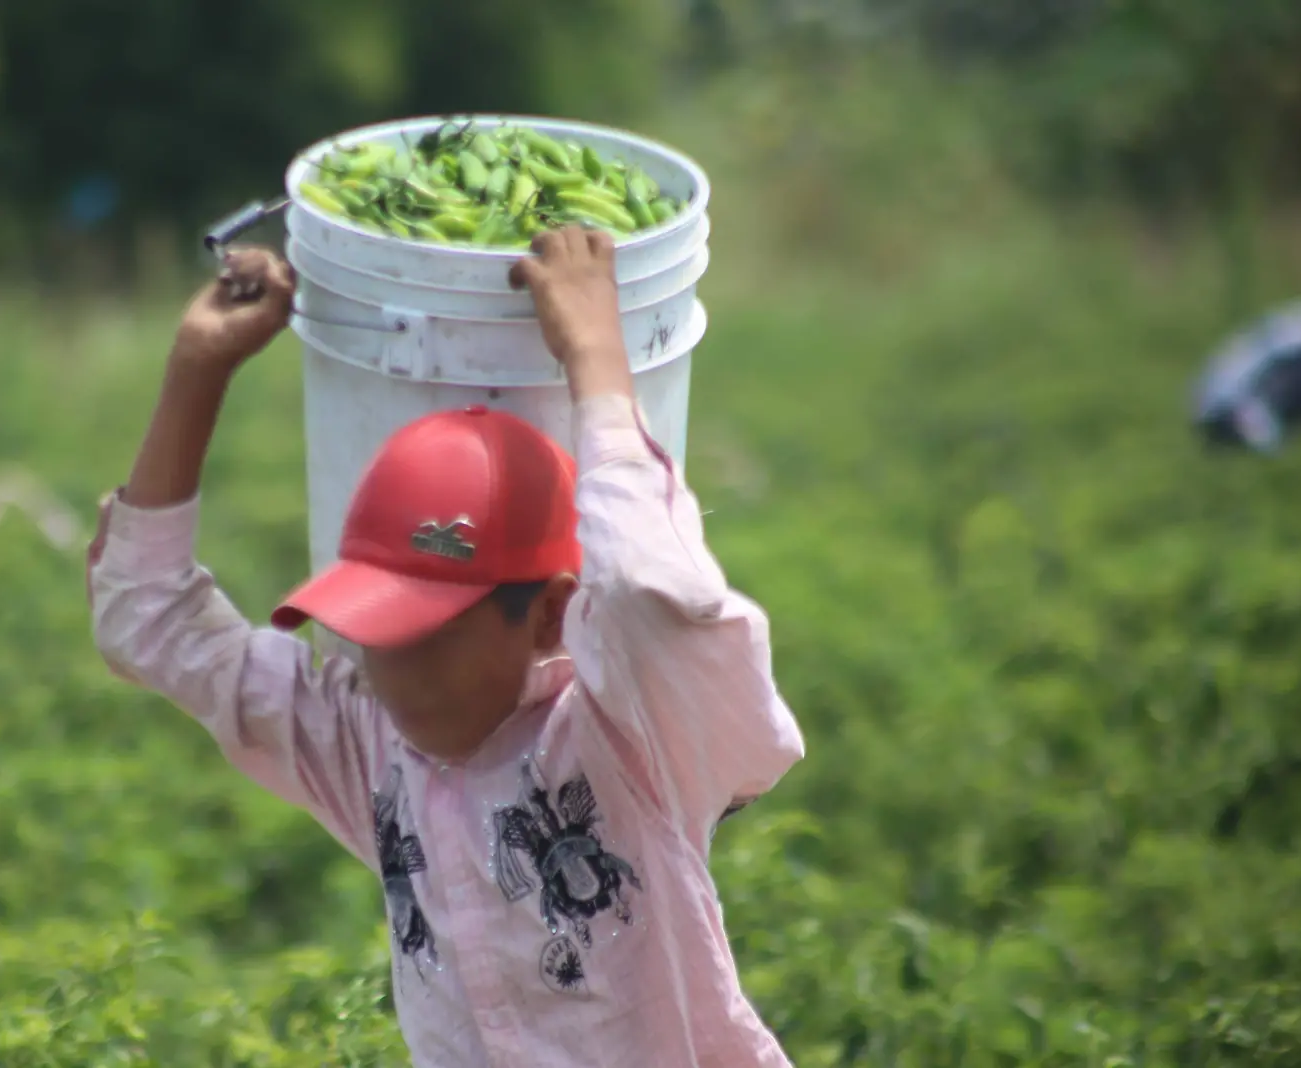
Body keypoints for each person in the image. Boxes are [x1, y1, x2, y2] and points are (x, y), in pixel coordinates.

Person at [88, 226, 806, 1067]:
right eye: (375, 629)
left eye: (429, 635)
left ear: (548, 616)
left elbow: (658, 586)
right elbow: (149, 621)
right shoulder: (369, 747)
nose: (393, 670)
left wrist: (596, 359)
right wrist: (197, 369)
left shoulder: (625, 739)